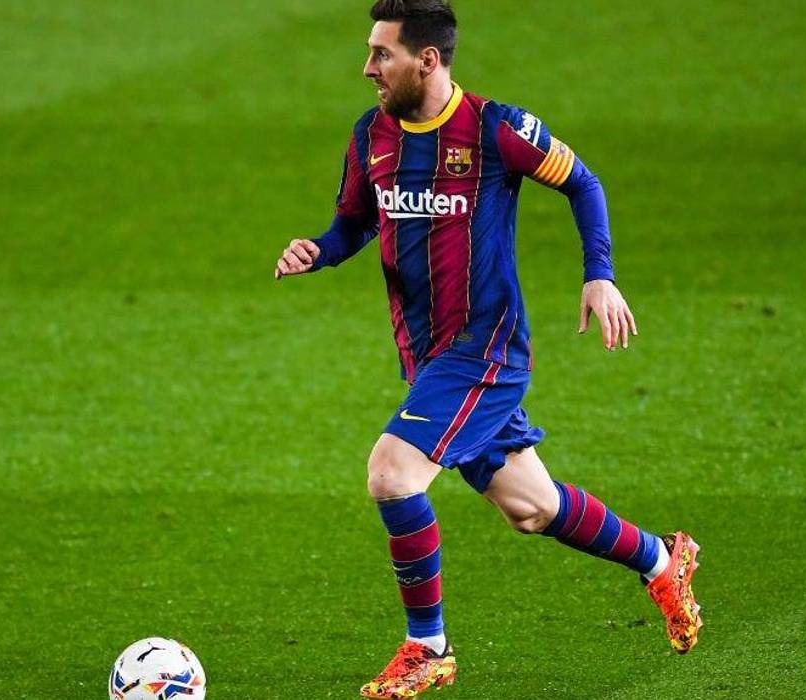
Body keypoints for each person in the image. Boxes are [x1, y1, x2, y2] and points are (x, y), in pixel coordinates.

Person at [273, 1, 701, 697]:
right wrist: (316, 251)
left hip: (485, 349)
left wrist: (599, 274)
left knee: (391, 472)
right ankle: (662, 560)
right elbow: (353, 222)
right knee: (529, 506)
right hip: (425, 355)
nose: (367, 68)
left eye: (381, 54)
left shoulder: (496, 129)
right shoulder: (370, 136)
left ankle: (427, 648)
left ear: (428, 60)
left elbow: (581, 181)